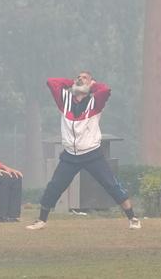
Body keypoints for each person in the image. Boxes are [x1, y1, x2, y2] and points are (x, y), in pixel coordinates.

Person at [26, 72, 141, 230]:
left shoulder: (95, 102)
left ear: (91, 83)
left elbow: (106, 90)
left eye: (84, 77)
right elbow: (51, 82)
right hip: (70, 156)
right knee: (54, 187)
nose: (80, 79)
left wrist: (92, 86)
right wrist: (72, 83)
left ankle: (133, 218)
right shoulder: (65, 100)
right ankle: (41, 220)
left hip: (92, 154)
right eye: (78, 77)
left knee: (111, 185)